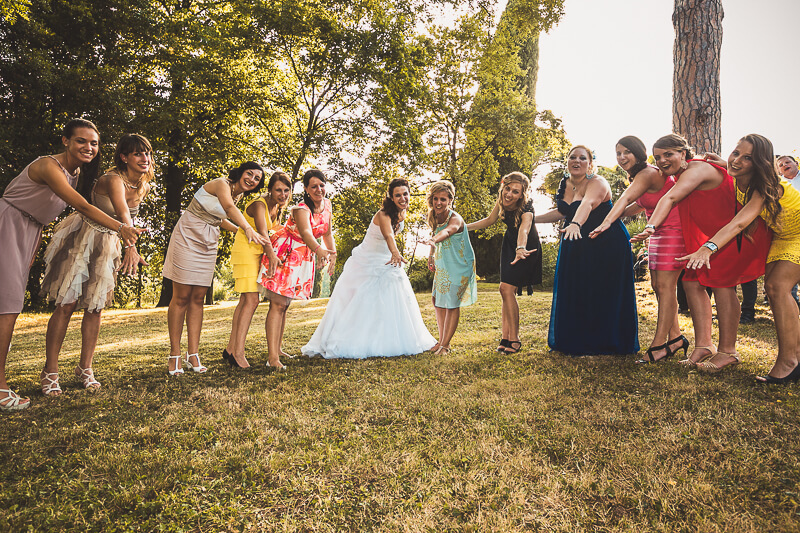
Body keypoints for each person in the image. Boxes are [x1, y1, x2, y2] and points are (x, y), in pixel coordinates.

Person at [0, 119, 142, 411]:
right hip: (8, 224)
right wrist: (123, 229)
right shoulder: (49, 167)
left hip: (28, 230)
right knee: (8, 307)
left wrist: (33, 245)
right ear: (65, 141)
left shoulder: (75, 172)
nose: (88, 147)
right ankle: (1, 389)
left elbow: (39, 213)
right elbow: (83, 207)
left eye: (94, 143)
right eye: (81, 141)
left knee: (10, 304)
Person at [631, 134, 771, 372]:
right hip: (713, 236)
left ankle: (728, 351)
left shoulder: (696, 170)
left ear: (683, 153)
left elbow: (670, 198)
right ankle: (704, 345)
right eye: (657, 157)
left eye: (668, 154)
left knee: (723, 287)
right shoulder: (687, 172)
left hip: (732, 234)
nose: (662, 161)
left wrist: (651, 226)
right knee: (691, 282)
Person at [39, 134, 153, 396]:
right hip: (84, 238)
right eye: (137, 153)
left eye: (147, 153)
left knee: (95, 307)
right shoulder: (113, 179)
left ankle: (85, 368)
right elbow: (123, 213)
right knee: (66, 304)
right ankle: (50, 370)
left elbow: (127, 222)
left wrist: (127, 245)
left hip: (109, 243)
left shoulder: (143, 185)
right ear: (124, 157)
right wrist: (131, 247)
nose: (144, 158)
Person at [681, 135, 800, 382]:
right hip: (782, 237)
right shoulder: (740, 177)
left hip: (798, 234)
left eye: (748, 158)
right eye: (736, 153)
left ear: (760, 163)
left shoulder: (766, 187)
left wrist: (708, 248)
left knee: (778, 287)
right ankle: (794, 355)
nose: (737, 160)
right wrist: (727, 163)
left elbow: (739, 223)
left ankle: (790, 360)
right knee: (773, 289)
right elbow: (735, 169)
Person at [301, 178, 437, 358]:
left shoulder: (402, 213)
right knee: (362, 301)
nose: (402, 198)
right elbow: (388, 235)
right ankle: (354, 340)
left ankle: (394, 339)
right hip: (367, 261)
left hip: (385, 259)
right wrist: (395, 253)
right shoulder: (383, 214)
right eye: (397, 195)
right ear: (390, 197)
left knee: (397, 295)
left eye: (405, 194)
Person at [163, 162, 269, 376]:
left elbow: (218, 219)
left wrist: (242, 232)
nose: (251, 179)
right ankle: (175, 354)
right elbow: (228, 209)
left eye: (257, 178)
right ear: (240, 172)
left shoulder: (238, 195)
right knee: (181, 297)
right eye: (249, 174)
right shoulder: (222, 184)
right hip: (188, 234)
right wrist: (247, 228)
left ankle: (193, 354)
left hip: (208, 239)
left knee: (198, 298)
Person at [589, 136, 687, 363]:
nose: (622, 157)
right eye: (618, 153)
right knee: (659, 287)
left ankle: (658, 345)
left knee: (665, 287)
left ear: (640, 153)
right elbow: (636, 206)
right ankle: (675, 338)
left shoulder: (647, 173)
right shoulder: (642, 176)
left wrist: (607, 222)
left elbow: (625, 198)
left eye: (627, 152)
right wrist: (603, 214)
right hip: (657, 232)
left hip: (674, 231)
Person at [536, 145, 639, 356]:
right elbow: (562, 212)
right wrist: (530, 220)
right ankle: (576, 339)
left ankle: (606, 342)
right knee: (577, 288)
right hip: (576, 240)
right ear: (567, 161)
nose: (577, 161)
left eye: (582, 158)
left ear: (590, 163)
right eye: (572, 157)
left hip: (606, 242)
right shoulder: (566, 184)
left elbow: (588, 203)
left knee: (601, 290)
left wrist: (575, 223)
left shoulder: (597, 182)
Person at [258, 169, 336, 369]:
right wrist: (319, 251)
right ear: (306, 189)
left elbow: (327, 232)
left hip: (303, 257)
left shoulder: (327, 205)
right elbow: (307, 233)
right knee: (277, 304)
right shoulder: (301, 209)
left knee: (285, 305)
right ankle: (272, 358)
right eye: (313, 186)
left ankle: (278, 349)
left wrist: (332, 253)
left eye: (321, 185)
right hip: (286, 254)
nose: (319, 189)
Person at [466, 172, 541, 354]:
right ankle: (505, 336)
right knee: (505, 290)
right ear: (503, 186)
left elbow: (524, 230)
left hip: (526, 248)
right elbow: (489, 220)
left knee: (506, 288)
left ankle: (514, 339)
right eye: (507, 189)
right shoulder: (501, 200)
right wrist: (463, 228)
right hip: (509, 245)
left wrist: (520, 248)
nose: (509, 194)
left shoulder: (527, 208)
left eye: (515, 192)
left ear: (522, 195)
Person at [223, 171, 290, 368]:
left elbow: (277, 232)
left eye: (286, 190)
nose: (283, 194)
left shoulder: (277, 207)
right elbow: (263, 233)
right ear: (270, 190)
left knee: (245, 301)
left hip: (258, 253)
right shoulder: (260, 205)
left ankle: (230, 349)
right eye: (278, 190)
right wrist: (272, 256)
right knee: (252, 300)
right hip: (246, 252)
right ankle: (238, 354)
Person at [426, 180, 477, 356]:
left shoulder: (455, 218)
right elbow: (434, 234)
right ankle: (441, 341)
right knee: (437, 301)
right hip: (444, 263)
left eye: (443, 199)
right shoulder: (433, 216)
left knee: (452, 304)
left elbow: (447, 231)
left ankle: (446, 345)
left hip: (460, 264)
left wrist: (433, 240)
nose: (438, 203)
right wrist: (431, 255)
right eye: (435, 198)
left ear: (450, 201)